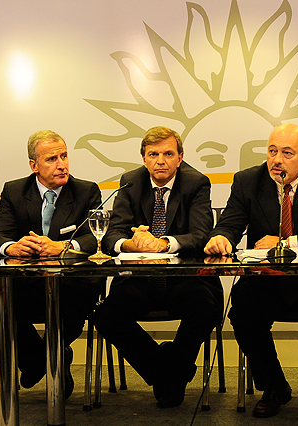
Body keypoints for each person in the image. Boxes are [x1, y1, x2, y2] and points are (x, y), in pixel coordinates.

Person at [204, 123, 298, 420]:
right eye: (272, 151)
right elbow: (230, 224)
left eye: (287, 153)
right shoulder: (248, 180)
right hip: (268, 281)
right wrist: (219, 237)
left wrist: (287, 242)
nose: (277, 160)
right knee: (243, 308)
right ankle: (274, 387)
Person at [94, 126, 222, 408]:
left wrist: (163, 243)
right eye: (153, 154)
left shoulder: (196, 183)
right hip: (138, 280)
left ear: (180, 157)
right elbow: (112, 236)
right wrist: (133, 244)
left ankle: (168, 373)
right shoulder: (130, 183)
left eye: (168, 154)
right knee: (105, 315)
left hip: (183, 279)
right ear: (143, 158)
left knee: (204, 308)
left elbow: (201, 235)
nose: (160, 160)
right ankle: (169, 372)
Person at [0, 130, 103, 399]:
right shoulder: (14, 190)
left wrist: (63, 247)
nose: (62, 163)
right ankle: (46, 359)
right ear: (34, 165)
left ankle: (42, 359)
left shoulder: (86, 190)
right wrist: (13, 247)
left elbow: (96, 237)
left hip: (70, 284)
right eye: (52, 158)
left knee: (81, 296)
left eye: (64, 156)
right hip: (26, 283)